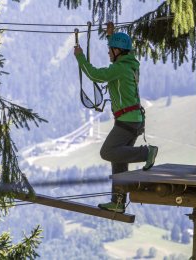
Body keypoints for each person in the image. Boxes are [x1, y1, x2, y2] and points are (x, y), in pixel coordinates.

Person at [73, 23, 158, 213]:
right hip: (133, 119)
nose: (109, 53)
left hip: (127, 120)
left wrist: (80, 57)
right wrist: (111, 36)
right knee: (119, 161)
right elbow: (123, 52)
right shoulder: (129, 63)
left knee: (108, 152)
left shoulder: (119, 69)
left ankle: (147, 153)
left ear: (119, 51)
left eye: (111, 50)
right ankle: (118, 202)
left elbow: (94, 75)